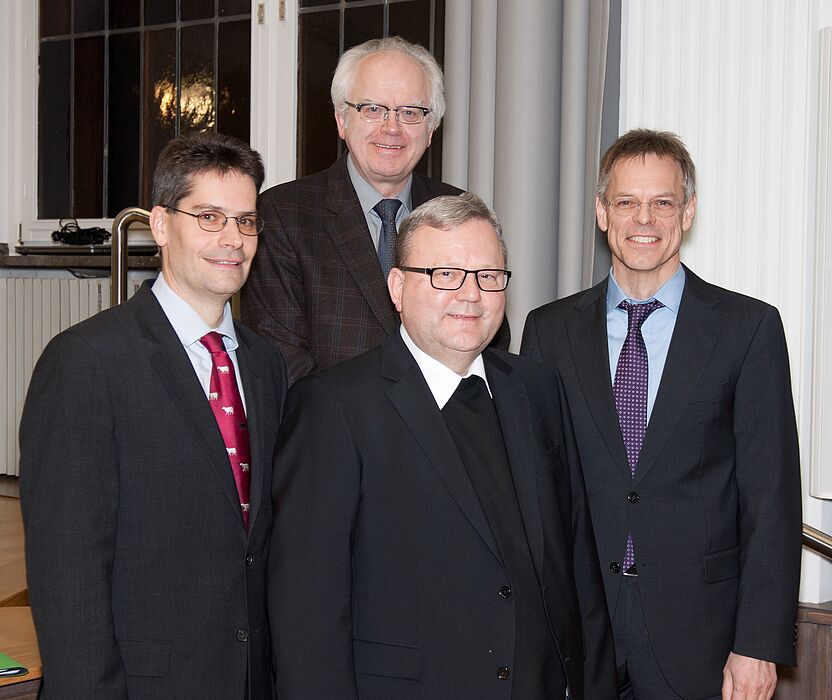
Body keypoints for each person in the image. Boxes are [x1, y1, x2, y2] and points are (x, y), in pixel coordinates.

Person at [268, 192, 617, 699]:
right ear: (397, 286)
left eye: (488, 276)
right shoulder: (332, 408)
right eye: (445, 274)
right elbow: (308, 617)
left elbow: (577, 570)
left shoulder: (538, 389)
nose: (470, 295)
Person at [521, 129, 802, 699]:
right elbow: (534, 486)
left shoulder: (748, 330)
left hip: (701, 631)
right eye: (626, 202)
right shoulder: (548, 331)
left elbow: (771, 500)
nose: (642, 218)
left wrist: (757, 644)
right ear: (602, 213)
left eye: (662, 202)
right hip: (580, 626)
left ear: (688, 212)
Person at [20, 133, 287, 699]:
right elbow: (69, 568)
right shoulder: (87, 362)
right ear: (161, 225)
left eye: (246, 221)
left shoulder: (263, 365)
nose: (232, 239)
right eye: (209, 216)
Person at [242, 36, 507, 384]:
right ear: (341, 120)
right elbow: (282, 362)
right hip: (334, 432)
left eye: (410, 112)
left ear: (431, 129)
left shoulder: (465, 214)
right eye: (373, 109)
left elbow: (491, 340)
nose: (392, 128)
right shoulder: (282, 216)